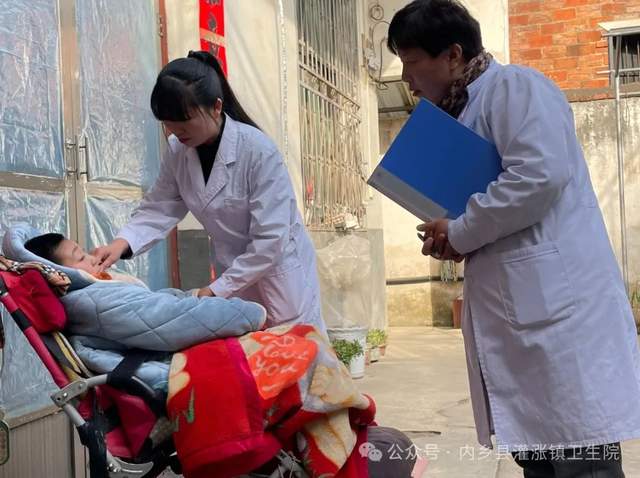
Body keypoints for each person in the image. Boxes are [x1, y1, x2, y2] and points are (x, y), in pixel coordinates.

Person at [388, 1, 640, 477]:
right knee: (539, 458)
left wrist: (460, 230)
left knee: (581, 462)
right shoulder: (461, 113)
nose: (407, 79)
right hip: (520, 314)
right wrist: (451, 235)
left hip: (558, 317)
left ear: (453, 55)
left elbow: (538, 177)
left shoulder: (516, 88)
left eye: (411, 61)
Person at [92, 50, 326, 336]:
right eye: (167, 123)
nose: (174, 132)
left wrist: (217, 290)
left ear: (216, 107)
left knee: (295, 350)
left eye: (183, 121)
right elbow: (160, 205)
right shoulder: (179, 151)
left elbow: (270, 239)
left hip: (279, 276)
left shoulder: (258, 151)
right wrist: (121, 243)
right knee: (248, 352)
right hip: (232, 275)